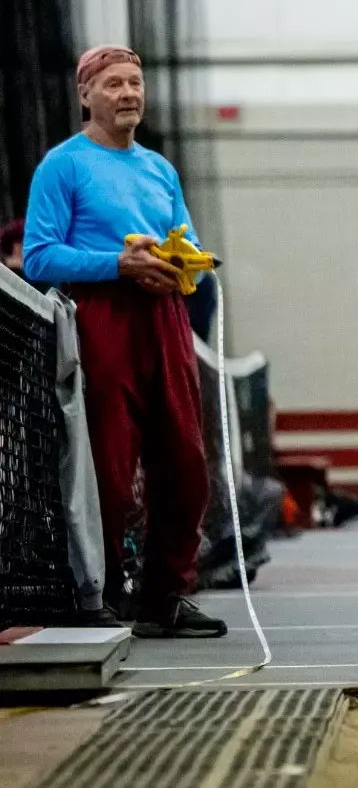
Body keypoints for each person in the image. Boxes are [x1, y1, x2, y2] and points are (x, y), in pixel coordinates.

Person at [22, 46, 224, 638]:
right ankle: (102, 590)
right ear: (86, 96)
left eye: (135, 83)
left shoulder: (160, 170)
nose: (129, 93)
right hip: (100, 318)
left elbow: (181, 238)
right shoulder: (62, 167)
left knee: (186, 462)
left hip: (164, 319)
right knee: (108, 467)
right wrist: (118, 265)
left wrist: (183, 263)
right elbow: (38, 256)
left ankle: (166, 595)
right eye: (113, 84)